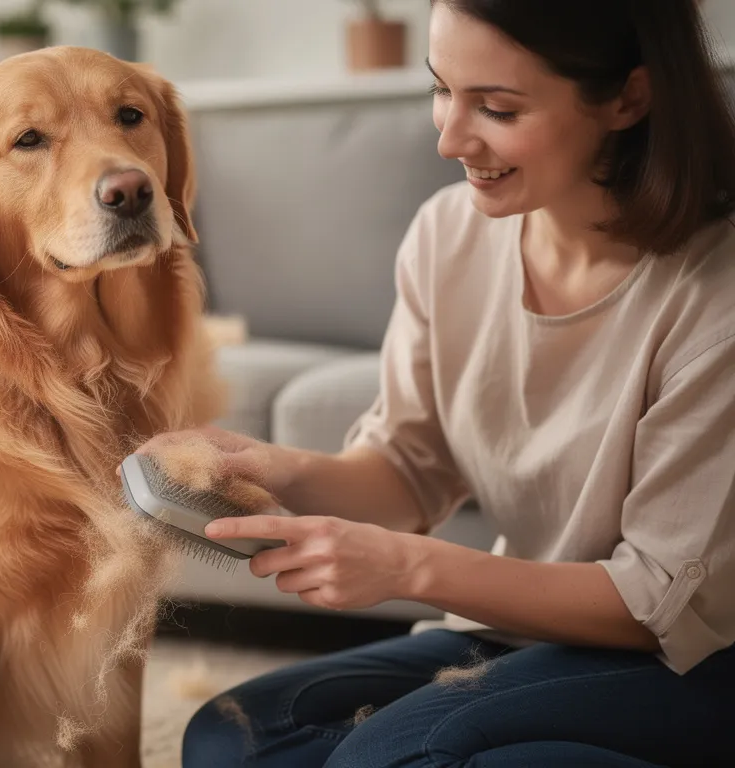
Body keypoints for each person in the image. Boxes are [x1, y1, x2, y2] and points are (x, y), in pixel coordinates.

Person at [146, 1, 735, 766]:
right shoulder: (448, 234)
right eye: (441, 90)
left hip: (693, 663)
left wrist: (404, 568)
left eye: (495, 107)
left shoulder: (714, 298)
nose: (450, 137)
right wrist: (280, 470)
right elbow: (408, 470)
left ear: (628, 97)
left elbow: (659, 605)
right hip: (527, 640)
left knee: (387, 755)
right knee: (236, 736)